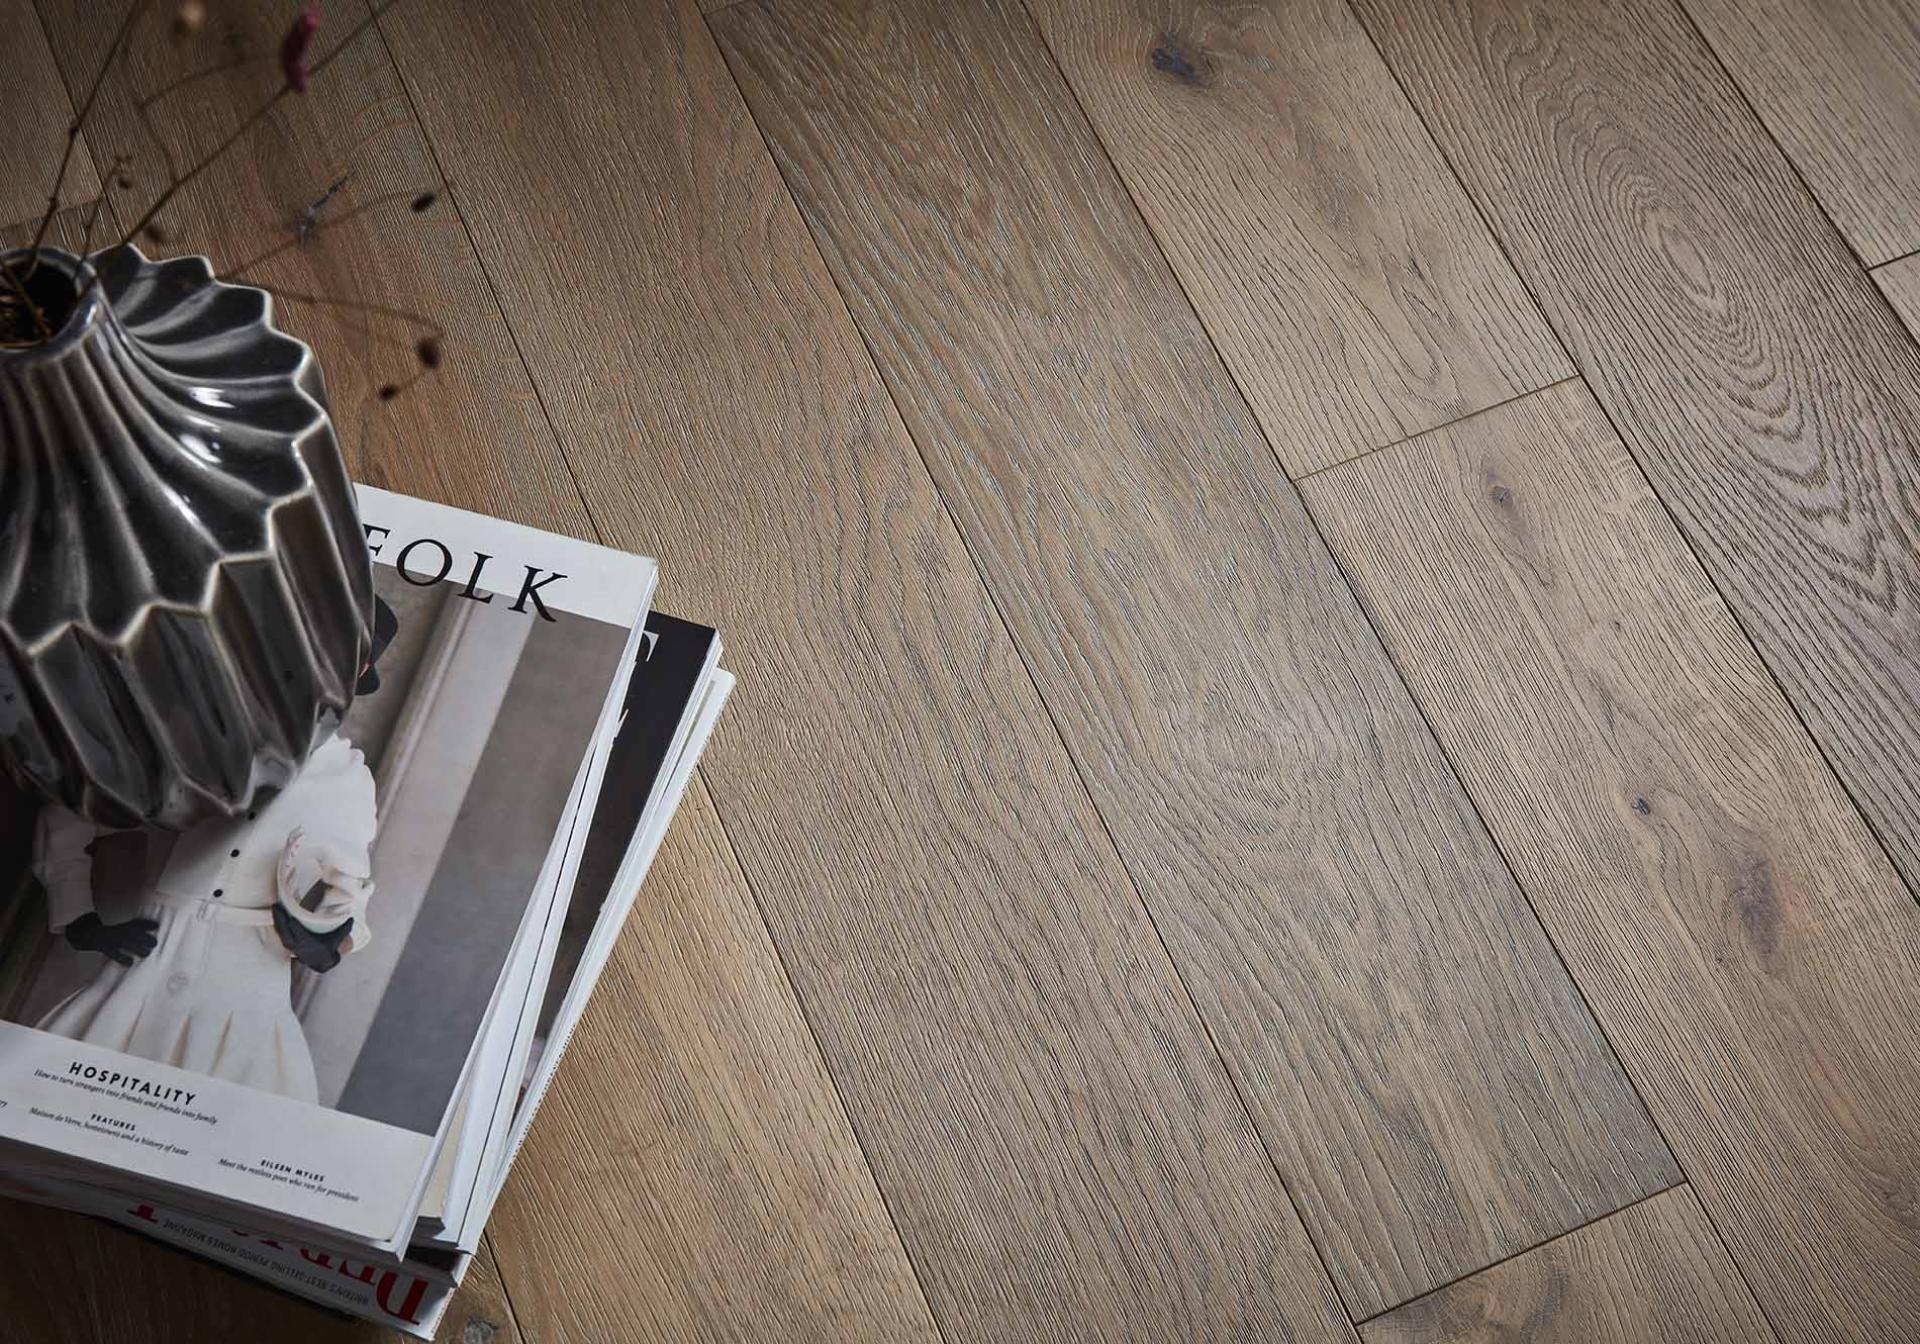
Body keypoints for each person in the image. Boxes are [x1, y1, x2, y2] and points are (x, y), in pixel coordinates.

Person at [28, 598, 396, 1105]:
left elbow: (349, 888)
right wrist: (77, 914)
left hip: (247, 989)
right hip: (142, 967)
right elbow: (71, 808)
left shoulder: (348, 781)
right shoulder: (188, 738)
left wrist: (326, 941)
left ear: (359, 673)